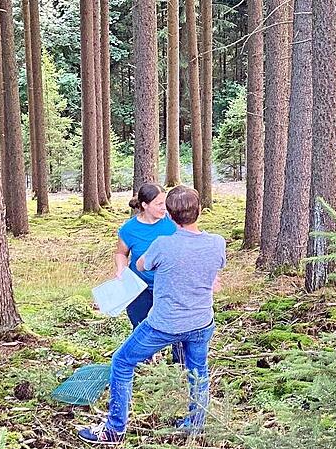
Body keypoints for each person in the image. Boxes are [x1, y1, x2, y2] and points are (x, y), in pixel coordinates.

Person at [79, 186, 226, 444]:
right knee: (198, 372)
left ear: (169, 214)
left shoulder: (162, 244)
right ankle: (195, 425)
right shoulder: (217, 242)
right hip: (202, 322)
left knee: (122, 362)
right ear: (200, 211)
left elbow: (140, 264)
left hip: (164, 324)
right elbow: (214, 270)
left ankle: (114, 430)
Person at [114, 182, 180, 362]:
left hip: (168, 285)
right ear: (145, 205)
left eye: (165, 203)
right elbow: (121, 253)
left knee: (175, 324)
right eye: (159, 204)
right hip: (139, 286)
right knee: (140, 325)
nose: (164, 208)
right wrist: (121, 269)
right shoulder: (129, 229)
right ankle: (146, 362)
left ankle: (179, 365)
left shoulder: (172, 223)